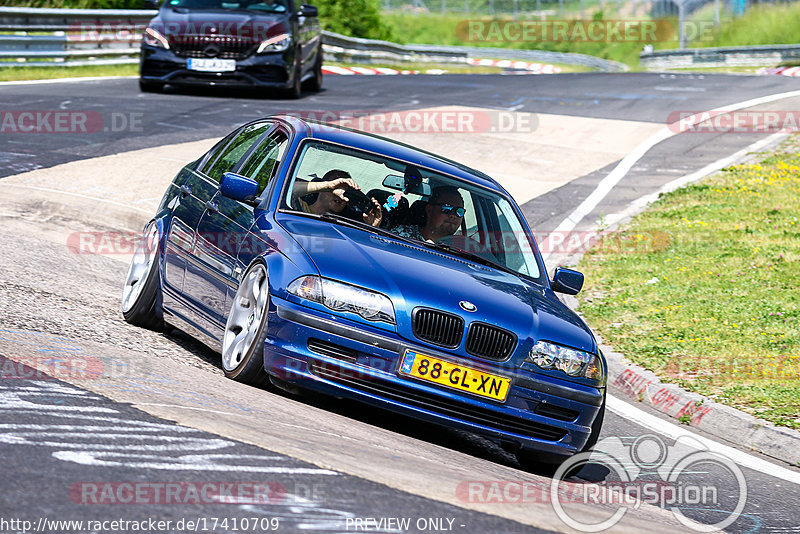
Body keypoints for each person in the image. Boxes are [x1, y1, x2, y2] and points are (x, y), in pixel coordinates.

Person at [291, 169, 382, 227]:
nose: (341, 195)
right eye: (337, 188)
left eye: (346, 192)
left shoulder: (345, 225)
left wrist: (372, 227)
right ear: (321, 188)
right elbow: (286, 189)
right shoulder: (296, 206)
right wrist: (329, 186)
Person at [392, 185, 465, 242]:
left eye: (459, 211)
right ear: (429, 210)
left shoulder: (463, 249)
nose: (453, 215)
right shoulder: (401, 236)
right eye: (447, 208)